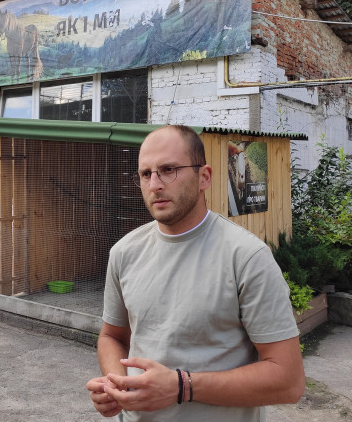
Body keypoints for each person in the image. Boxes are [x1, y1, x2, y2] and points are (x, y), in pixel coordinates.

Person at [86, 125, 305, 421]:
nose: (155, 185)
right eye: (145, 174)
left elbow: (288, 381)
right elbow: (112, 336)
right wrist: (116, 383)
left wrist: (182, 387)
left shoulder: (247, 258)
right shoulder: (124, 253)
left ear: (204, 177)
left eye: (168, 169)